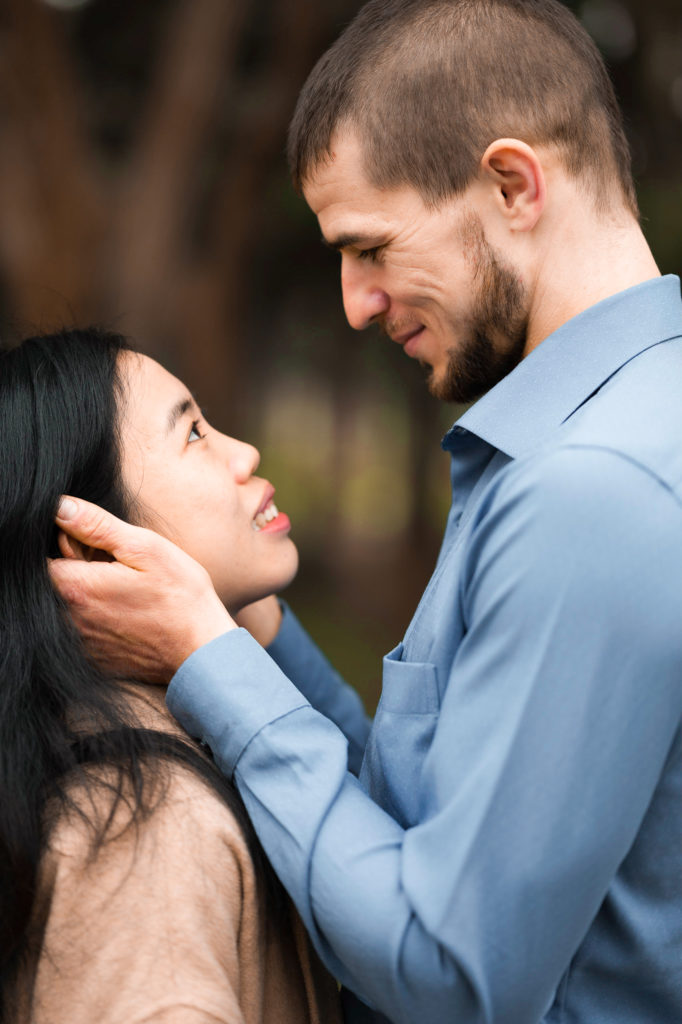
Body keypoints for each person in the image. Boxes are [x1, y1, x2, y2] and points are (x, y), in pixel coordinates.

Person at [51, 2, 682, 1022]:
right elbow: (416, 831)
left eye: (371, 247)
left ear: (513, 185)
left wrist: (208, 665)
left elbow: (452, 971)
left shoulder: (591, 490)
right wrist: (247, 634)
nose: (353, 302)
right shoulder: (583, 443)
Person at [1, 328, 341, 1024]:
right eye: (192, 434)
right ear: (92, 541)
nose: (244, 454)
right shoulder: (141, 830)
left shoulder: (122, 755)